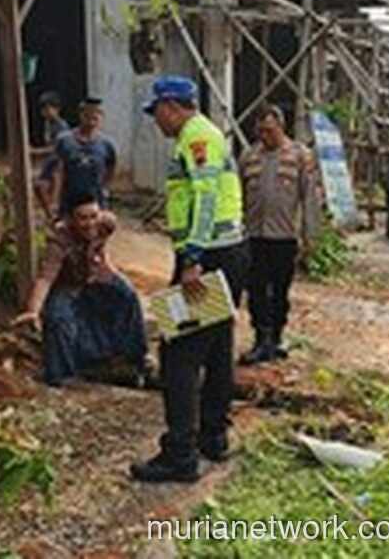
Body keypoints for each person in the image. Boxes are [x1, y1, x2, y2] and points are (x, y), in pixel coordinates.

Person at [130, 75, 249, 483]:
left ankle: (179, 454)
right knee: (216, 348)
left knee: (178, 353)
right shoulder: (205, 135)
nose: (156, 121)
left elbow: (206, 197)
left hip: (208, 255)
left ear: (171, 106)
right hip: (225, 252)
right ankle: (213, 437)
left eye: (157, 112)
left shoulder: (197, 137)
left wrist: (193, 258)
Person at [10, 192, 148, 386]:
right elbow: (46, 278)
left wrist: (106, 265)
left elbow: (103, 244)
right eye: (83, 218)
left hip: (94, 276)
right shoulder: (59, 240)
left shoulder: (106, 223)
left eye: (93, 216)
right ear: (70, 220)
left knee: (127, 294)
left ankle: (135, 358)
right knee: (58, 318)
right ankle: (62, 374)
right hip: (68, 285)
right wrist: (33, 310)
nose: (90, 223)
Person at [238, 105, 321, 365]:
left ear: (281, 127)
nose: (265, 136)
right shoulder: (249, 156)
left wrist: (310, 237)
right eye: (261, 131)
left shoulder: (300, 156)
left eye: (270, 131)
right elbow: (238, 195)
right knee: (256, 290)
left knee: (280, 291)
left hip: (284, 238)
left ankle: (276, 337)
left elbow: (310, 198)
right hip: (255, 236)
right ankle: (261, 339)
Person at [42, 97, 117, 218]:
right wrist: (52, 204)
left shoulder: (107, 145)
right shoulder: (65, 141)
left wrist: (104, 189)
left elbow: (110, 168)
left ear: (101, 117)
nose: (92, 117)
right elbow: (52, 172)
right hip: (69, 206)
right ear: (81, 115)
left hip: (96, 206)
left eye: (97, 113)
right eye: (88, 113)